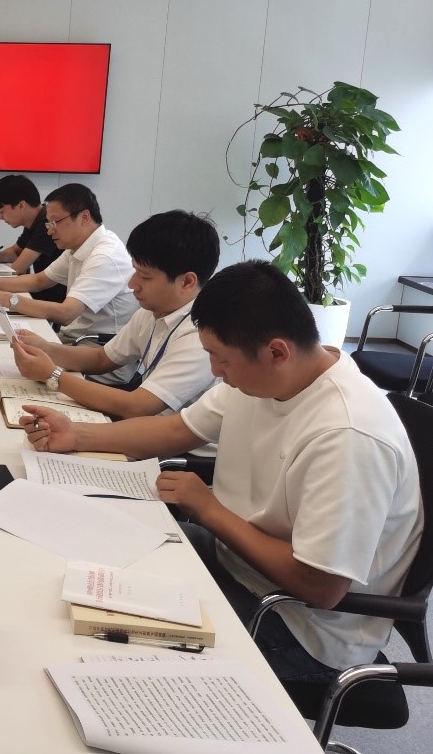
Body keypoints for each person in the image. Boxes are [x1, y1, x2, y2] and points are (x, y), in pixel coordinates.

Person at [22, 261, 423, 682]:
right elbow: (175, 430)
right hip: (233, 561)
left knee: (96, 653)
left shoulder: (348, 433)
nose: (215, 371)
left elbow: (319, 587)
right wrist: (77, 435)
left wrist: (208, 509)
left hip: (297, 625)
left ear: (277, 352)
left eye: (220, 358)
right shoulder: (265, 378)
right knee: (82, 560)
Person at [9, 210, 219, 419]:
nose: (132, 284)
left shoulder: (200, 337)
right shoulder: (154, 310)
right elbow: (102, 358)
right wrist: (45, 348)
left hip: (165, 436)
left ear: (187, 282)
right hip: (143, 421)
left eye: (145, 276)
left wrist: (52, 375)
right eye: (135, 270)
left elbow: (139, 406)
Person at [0, 183, 138, 345]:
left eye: (55, 222)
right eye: (48, 223)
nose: (49, 230)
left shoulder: (104, 256)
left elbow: (67, 313)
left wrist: (6, 299)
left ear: (84, 217)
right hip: (73, 338)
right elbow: (40, 280)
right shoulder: (77, 247)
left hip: (96, 347)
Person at [0, 174, 65, 304]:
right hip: (42, 291)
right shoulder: (34, 220)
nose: (0, 217)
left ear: (21, 205)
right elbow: (16, 252)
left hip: (53, 297)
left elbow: (17, 269)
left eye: (2, 211)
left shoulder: (45, 223)